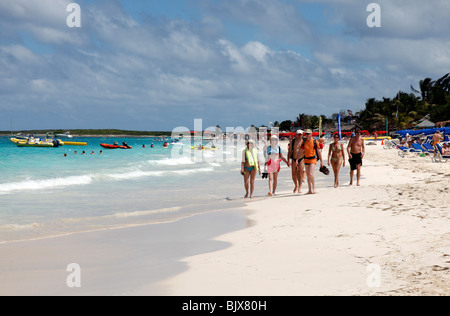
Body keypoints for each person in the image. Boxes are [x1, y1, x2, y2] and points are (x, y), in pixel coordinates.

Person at [302, 129, 323, 194]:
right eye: (306, 134)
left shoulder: (315, 141)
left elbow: (319, 152)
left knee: (310, 174)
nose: (307, 135)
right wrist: (297, 159)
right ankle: (309, 189)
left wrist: (321, 161)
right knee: (308, 175)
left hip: (313, 159)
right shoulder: (304, 142)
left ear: (311, 134)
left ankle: (314, 188)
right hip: (306, 159)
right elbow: (301, 151)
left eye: (308, 134)